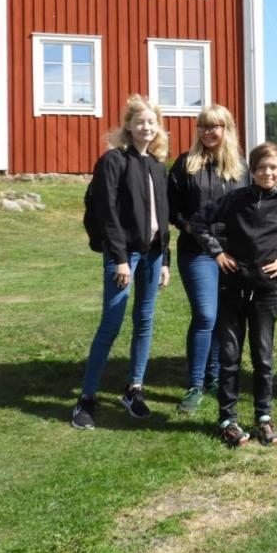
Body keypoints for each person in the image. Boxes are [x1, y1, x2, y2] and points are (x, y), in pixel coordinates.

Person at [191, 142, 277, 447]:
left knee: (263, 359)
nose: (267, 172)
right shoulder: (235, 199)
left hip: (266, 293)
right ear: (252, 169)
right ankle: (228, 419)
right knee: (230, 358)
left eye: (274, 167)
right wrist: (217, 253)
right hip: (232, 288)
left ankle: (264, 417)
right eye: (262, 167)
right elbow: (198, 222)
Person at [71, 94, 172, 430]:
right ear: (129, 125)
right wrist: (119, 260)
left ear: (157, 127)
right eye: (140, 120)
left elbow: (163, 216)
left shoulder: (157, 165)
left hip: (153, 255)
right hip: (125, 257)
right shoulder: (114, 161)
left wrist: (166, 259)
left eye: (151, 121)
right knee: (111, 323)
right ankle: (86, 397)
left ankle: (134, 388)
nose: (146, 126)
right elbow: (107, 213)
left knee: (144, 320)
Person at [167, 104, 248, 416]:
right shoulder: (186, 165)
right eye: (203, 126)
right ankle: (195, 384)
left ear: (227, 129)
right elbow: (171, 207)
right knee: (205, 315)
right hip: (197, 251)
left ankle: (215, 377)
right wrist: (188, 225)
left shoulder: (240, 168)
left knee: (222, 317)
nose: (209, 132)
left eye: (215, 126)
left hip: (230, 255)